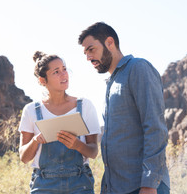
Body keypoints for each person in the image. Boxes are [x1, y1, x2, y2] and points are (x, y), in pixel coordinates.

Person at [78, 22, 170, 194]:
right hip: (117, 188)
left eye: (91, 49)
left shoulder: (138, 68)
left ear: (110, 43)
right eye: (85, 53)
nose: (88, 58)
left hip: (143, 186)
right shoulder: (111, 83)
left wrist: (149, 185)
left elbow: (155, 128)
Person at [18, 51, 101, 194]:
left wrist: (77, 145)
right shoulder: (31, 110)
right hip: (43, 185)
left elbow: (93, 152)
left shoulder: (85, 106)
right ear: (42, 80)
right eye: (56, 72)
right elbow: (24, 157)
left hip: (80, 184)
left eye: (64, 69)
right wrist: (35, 141)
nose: (64, 74)